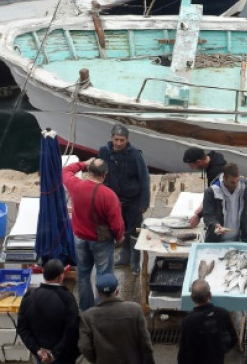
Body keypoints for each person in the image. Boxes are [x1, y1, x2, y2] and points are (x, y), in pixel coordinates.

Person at [62, 158, 125, 311]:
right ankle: (102, 309)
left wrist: (83, 163)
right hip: (101, 241)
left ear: (88, 172)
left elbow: (65, 171)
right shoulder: (108, 195)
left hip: (80, 239)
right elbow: (116, 224)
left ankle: (85, 309)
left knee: (83, 276)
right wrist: (119, 238)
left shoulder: (75, 186)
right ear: (104, 174)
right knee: (103, 276)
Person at [98, 124, 150, 273]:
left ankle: (135, 262)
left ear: (127, 139)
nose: (119, 143)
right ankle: (124, 257)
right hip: (113, 201)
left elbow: (144, 179)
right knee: (120, 231)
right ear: (111, 138)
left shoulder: (135, 155)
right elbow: (97, 175)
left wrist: (144, 202)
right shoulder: (103, 152)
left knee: (134, 232)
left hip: (133, 201)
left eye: (122, 140)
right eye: (116, 139)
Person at [79, 274, 154, 364]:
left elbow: (84, 346)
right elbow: (145, 343)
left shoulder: (88, 316)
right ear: (117, 291)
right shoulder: (135, 309)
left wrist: (96, 360)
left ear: (98, 293)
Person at [17, 259, 80, 364]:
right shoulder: (67, 298)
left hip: (41, 356)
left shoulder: (29, 296)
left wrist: (38, 350)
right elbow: (72, 331)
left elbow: (22, 328)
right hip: (62, 356)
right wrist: (53, 353)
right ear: (60, 277)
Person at [202, 162, 247, 243]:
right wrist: (216, 226)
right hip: (216, 240)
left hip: (243, 238)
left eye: (238, 181)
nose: (236, 184)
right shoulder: (210, 192)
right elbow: (208, 216)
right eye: (232, 182)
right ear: (224, 178)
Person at [177, 280, 238, 364]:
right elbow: (233, 338)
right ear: (210, 295)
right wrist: (220, 351)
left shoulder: (189, 321)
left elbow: (185, 351)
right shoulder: (223, 313)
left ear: (191, 298)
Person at [183, 147, 227, 227]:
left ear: (199, 162)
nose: (191, 168)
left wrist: (198, 216)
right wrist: (202, 205)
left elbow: (214, 197)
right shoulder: (212, 157)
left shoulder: (216, 172)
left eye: (192, 165)